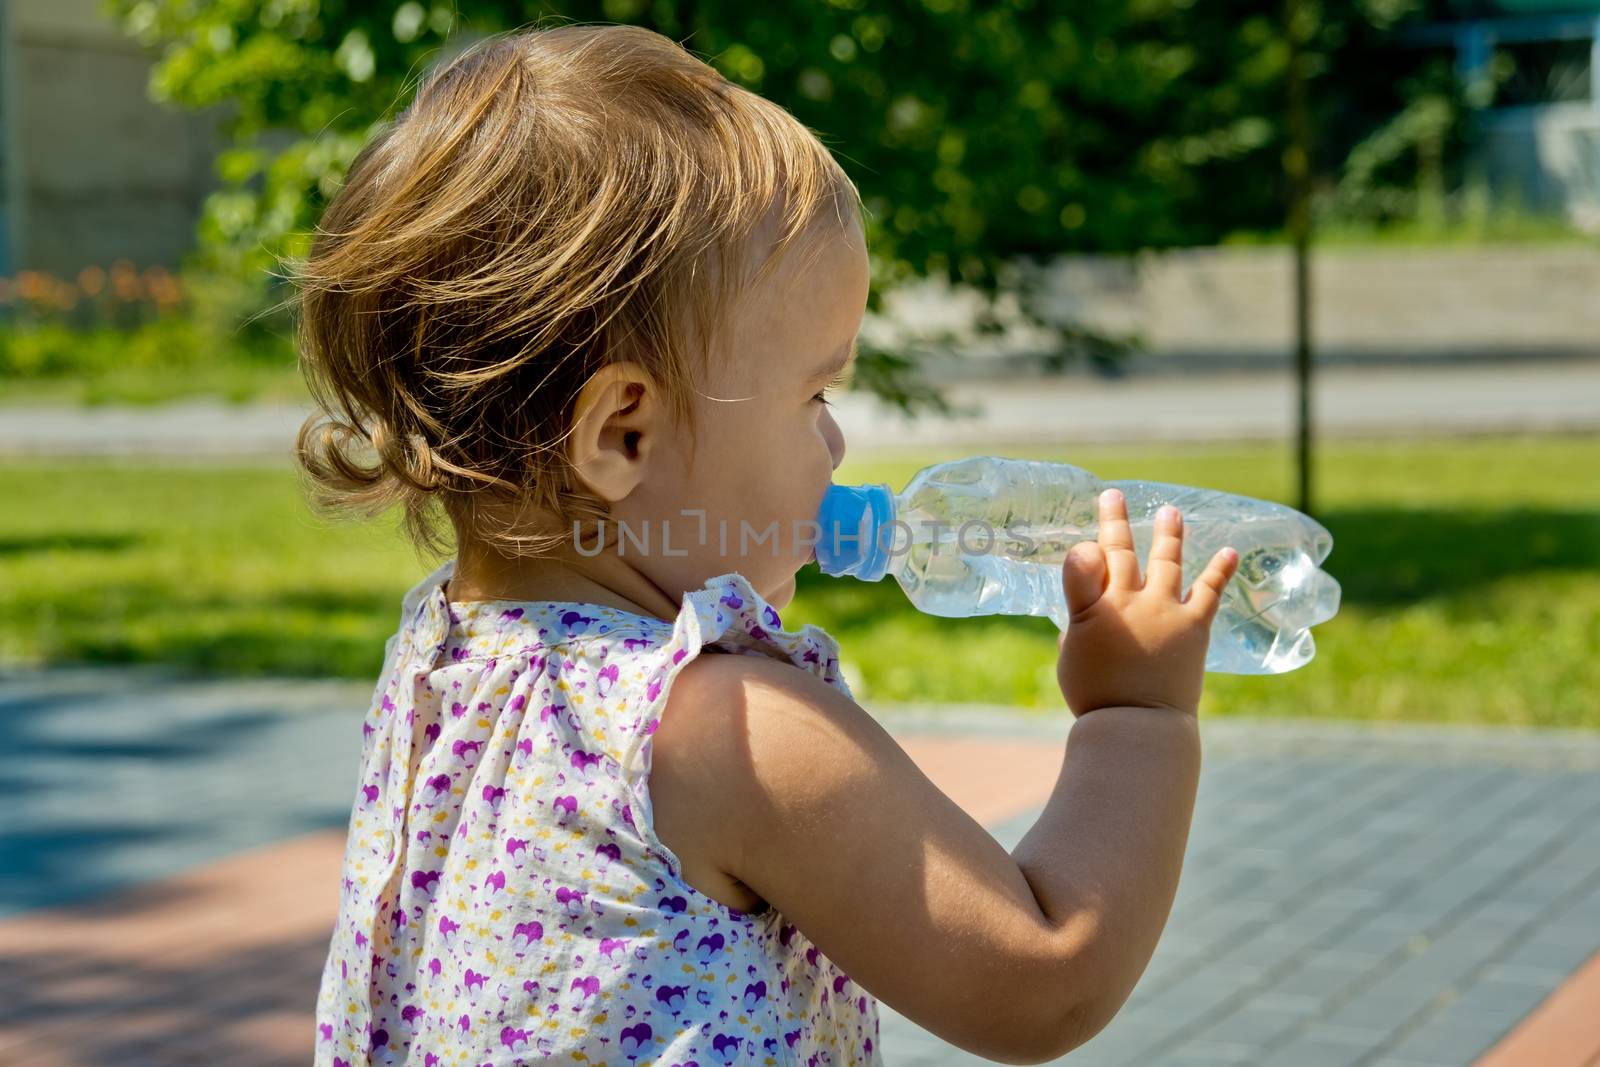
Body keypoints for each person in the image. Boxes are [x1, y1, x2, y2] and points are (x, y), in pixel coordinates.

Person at [293, 22, 1240, 1067]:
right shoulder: (730, 729)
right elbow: (1042, 980)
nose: (836, 442)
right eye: (814, 395)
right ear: (622, 433)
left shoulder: (443, 653)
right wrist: (1136, 713)